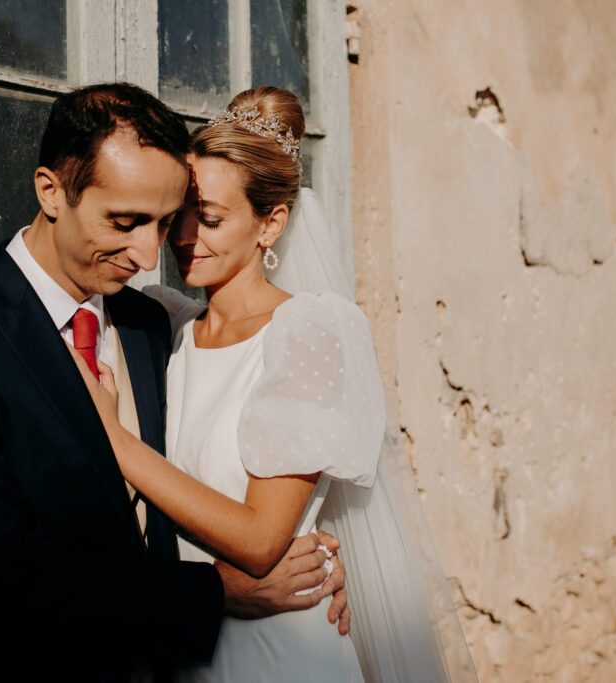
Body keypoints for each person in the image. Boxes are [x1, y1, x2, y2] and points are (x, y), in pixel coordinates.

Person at [0, 83, 350, 681]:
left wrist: (314, 561)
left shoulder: (152, 324)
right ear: (51, 191)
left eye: (164, 222)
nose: (148, 253)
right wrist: (217, 591)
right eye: (126, 221)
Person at [73, 86, 477, 682]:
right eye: (181, 212)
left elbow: (263, 539)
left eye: (209, 218)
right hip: (190, 637)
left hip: (277, 651)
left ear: (272, 223)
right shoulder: (167, 324)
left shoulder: (310, 333)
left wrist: (116, 442)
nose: (184, 235)